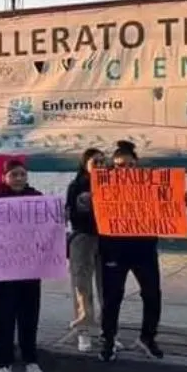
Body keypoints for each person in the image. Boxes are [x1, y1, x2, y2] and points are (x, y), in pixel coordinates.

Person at [96, 141, 187, 363]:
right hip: (113, 249)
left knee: (152, 294)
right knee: (112, 297)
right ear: (113, 166)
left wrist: (182, 202)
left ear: (136, 164)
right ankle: (108, 339)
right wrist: (86, 203)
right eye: (120, 165)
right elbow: (88, 209)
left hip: (144, 248)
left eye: (130, 165)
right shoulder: (104, 187)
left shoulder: (150, 184)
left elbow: (167, 207)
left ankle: (147, 337)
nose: (125, 170)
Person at [0, 159, 50, 372]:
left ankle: (31, 361)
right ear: (4, 177)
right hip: (3, 272)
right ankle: (3, 365)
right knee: (4, 319)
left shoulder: (37, 197)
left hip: (30, 270)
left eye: (22, 174)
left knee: (29, 317)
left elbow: (49, 226)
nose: (19, 179)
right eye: (14, 175)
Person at [64, 148, 107, 353]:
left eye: (102, 161)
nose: (99, 165)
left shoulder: (114, 183)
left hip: (108, 239)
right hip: (83, 238)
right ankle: (84, 330)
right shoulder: (77, 186)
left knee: (107, 287)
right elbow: (72, 213)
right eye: (94, 162)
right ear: (85, 164)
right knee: (82, 286)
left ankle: (106, 329)